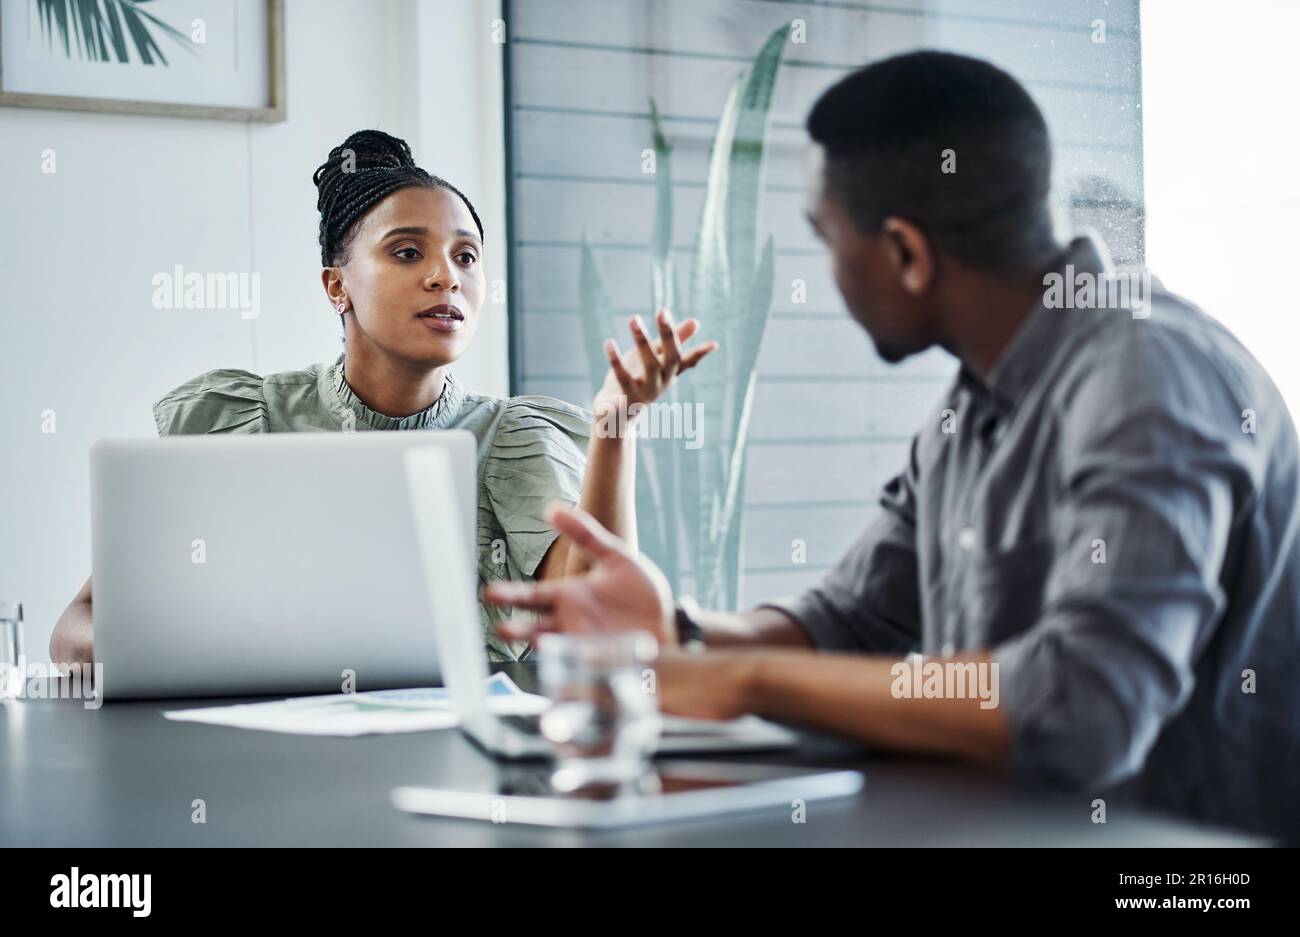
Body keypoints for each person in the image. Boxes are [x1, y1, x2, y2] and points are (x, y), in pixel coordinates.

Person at [485, 52, 1300, 838]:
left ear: (907, 254)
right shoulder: (976, 401)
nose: (829, 273)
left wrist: (749, 679)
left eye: (827, 238)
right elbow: (849, 617)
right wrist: (679, 630)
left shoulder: (1148, 379)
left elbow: (1085, 705)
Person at [49, 129, 716, 665]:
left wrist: (614, 424)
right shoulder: (240, 424)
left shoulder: (517, 439)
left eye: (466, 256)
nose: (443, 277)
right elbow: (74, 629)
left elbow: (594, 616)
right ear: (336, 286)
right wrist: (199, 660)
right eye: (406, 252)